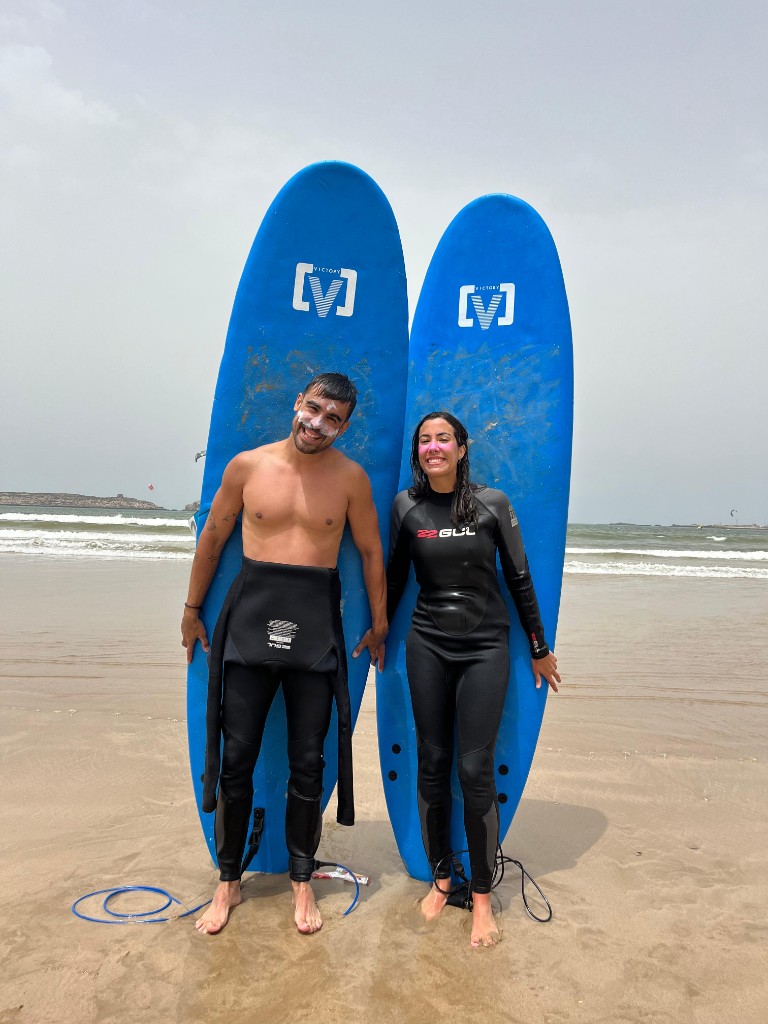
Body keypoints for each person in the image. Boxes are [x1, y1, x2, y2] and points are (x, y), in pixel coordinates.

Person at [182, 372, 387, 936]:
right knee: (236, 760)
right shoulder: (247, 467)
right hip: (249, 624)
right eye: (313, 409)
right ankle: (228, 881)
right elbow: (213, 537)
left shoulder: (350, 479)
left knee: (308, 763)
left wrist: (379, 623)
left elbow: (371, 551)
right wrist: (192, 608)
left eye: (332, 419)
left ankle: (301, 880)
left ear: (345, 426)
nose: (317, 424)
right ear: (298, 402)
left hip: (316, 629)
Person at [356, 410, 560, 948]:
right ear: (418, 452)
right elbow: (395, 575)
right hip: (427, 644)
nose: (433, 447)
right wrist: (379, 629)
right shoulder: (406, 506)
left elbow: (519, 577)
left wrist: (538, 647)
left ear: (462, 449)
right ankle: (443, 880)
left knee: (474, 770)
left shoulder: (493, 504)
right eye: (424, 440)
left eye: (443, 439)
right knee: (432, 762)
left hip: (485, 647)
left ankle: (483, 898)